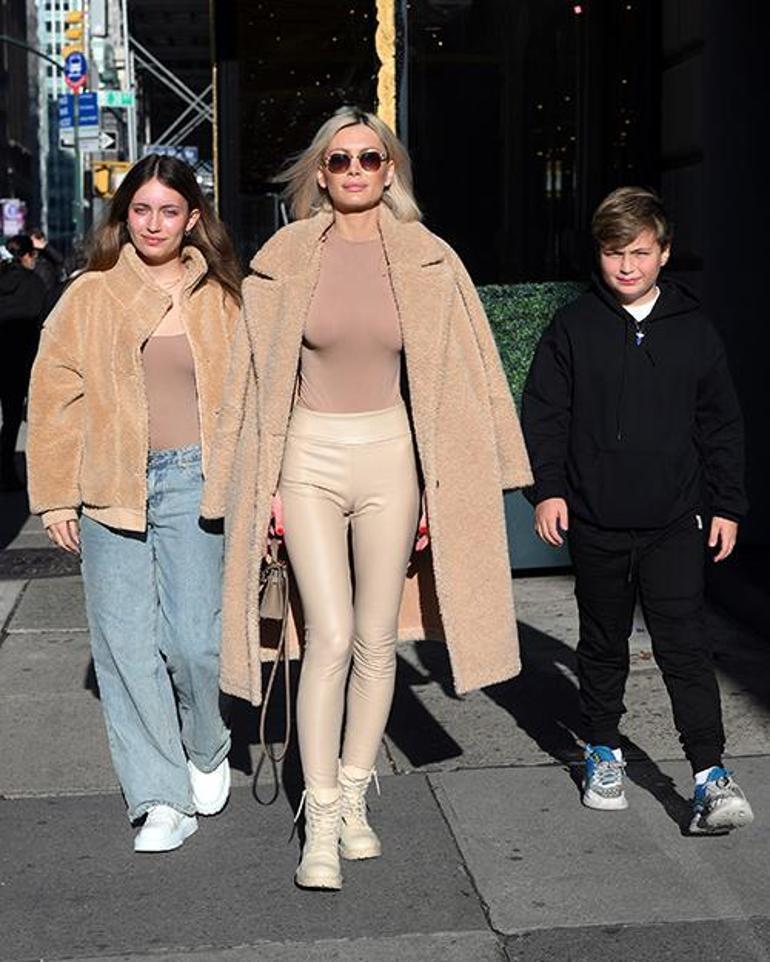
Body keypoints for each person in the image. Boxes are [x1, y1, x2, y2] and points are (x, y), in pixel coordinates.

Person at [200, 106, 532, 889]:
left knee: (379, 642)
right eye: (341, 160)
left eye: (370, 159)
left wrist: (456, 481)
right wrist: (255, 485)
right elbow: (250, 381)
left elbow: (472, 371)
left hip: (392, 459)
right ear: (320, 174)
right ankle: (318, 817)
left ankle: (353, 797)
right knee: (330, 635)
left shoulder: (429, 257)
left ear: (391, 171)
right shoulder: (284, 257)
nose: (355, 171)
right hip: (307, 458)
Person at [521, 186, 754, 834]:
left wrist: (727, 504)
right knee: (603, 643)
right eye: (614, 252)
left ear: (665, 253)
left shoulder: (694, 331)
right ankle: (603, 751)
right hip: (595, 520)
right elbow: (544, 415)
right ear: (598, 254)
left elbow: (721, 425)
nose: (627, 266)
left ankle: (709, 775)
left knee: (685, 645)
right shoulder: (573, 328)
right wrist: (548, 490)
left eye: (640, 252)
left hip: (674, 521)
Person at [26, 155, 242, 852]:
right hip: (110, 482)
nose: (153, 224)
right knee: (124, 646)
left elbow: (252, 394)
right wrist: (56, 497)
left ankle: (205, 741)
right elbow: (53, 398)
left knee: (195, 642)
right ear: (124, 218)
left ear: (192, 219)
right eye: (141, 210)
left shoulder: (222, 297)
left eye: (168, 211)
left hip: (197, 481)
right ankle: (160, 797)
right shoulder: (89, 296)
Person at [0, 234, 46, 491]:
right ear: (27, 255)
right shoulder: (34, 284)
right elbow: (43, 324)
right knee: (12, 421)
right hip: (18, 363)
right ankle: (7, 471)